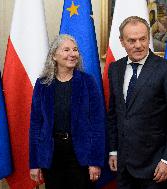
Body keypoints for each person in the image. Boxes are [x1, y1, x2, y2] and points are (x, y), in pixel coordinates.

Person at [107, 16, 167, 189]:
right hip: (124, 165)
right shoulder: (115, 69)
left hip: (155, 166)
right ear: (122, 42)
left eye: (143, 39)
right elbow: (114, 113)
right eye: (132, 40)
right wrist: (113, 150)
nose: (138, 45)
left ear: (149, 38)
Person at [29, 34, 105, 189]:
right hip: (52, 155)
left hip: (81, 155)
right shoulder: (42, 84)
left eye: (75, 50)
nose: (73, 54)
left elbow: (98, 124)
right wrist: (35, 162)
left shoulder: (87, 82)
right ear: (54, 56)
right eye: (66, 50)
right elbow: (36, 124)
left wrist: (95, 161)